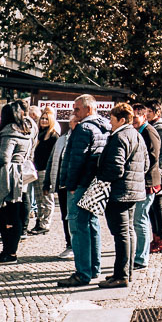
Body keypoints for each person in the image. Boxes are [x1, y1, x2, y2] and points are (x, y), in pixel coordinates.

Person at [58, 94, 110, 288]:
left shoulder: (84, 128)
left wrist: (70, 186)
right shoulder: (104, 126)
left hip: (81, 183)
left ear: (89, 109)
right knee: (92, 223)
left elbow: (76, 160)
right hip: (94, 182)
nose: (74, 112)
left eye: (77, 109)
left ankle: (82, 272)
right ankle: (94, 268)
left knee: (78, 227)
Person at [96, 102, 146, 288]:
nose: (110, 122)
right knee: (128, 232)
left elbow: (116, 168)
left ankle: (122, 275)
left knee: (122, 234)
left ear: (121, 120)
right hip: (134, 190)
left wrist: (101, 176)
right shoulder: (136, 135)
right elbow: (146, 163)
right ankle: (126, 271)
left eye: (112, 119)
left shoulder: (120, 137)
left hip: (120, 192)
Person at [0, 100, 32, 266]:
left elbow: (4, 157)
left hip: (8, 176)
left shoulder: (9, 131)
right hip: (20, 175)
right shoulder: (26, 130)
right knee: (15, 214)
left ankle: (9, 252)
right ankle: (11, 251)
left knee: (4, 214)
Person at [132, 103, 161, 270]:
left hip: (147, 181)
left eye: (136, 117)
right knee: (138, 219)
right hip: (141, 181)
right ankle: (138, 255)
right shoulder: (139, 131)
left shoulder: (149, 131)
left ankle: (141, 258)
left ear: (144, 116)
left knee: (140, 219)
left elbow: (153, 157)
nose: (133, 120)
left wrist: (139, 172)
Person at [44, 112, 77, 259]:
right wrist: (47, 182)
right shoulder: (62, 139)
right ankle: (69, 244)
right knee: (65, 216)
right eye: (73, 122)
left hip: (76, 185)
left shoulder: (81, 139)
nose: (75, 124)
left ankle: (77, 245)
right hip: (62, 184)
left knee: (75, 217)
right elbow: (51, 161)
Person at [146, 102, 162, 254]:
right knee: (152, 207)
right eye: (147, 110)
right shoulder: (151, 127)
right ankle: (156, 237)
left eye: (150, 111)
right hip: (152, 174)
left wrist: (158, 170)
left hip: (158, 175)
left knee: (158, 206)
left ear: (157, 112)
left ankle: (161, 239)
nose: (148, 113)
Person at [29, 106, 59, 235]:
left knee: (46, 198)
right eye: (42, 118)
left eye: (47, 119)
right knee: (38, 198)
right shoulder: (39, 134)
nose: (44, 121)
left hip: (46, 170)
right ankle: (39, 221)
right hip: (36, 169)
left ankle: (45, 223)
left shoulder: (53, 136)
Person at [22, 105, 41, 236]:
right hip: (27, 161)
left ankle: (22, 227)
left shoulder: (28, 124)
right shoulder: (32, 124)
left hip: (24, 163)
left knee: (25, 195)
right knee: (26, 194)